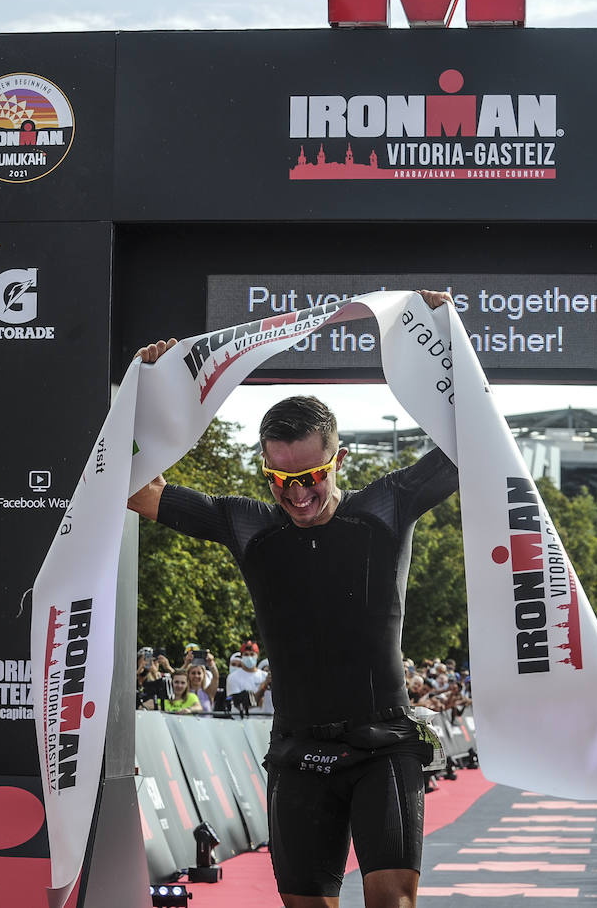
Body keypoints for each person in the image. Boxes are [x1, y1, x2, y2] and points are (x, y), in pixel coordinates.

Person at [128, 289, 456, 908]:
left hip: (383, 742)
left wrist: (443, 340)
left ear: (339, 458)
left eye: (311, 476)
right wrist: (154, 391)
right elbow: (138, 488)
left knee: (392, 902)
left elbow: (472, 445)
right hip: (298, 750)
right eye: (281, 480)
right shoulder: (249, 526)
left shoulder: (382, 509)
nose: (298, 494)